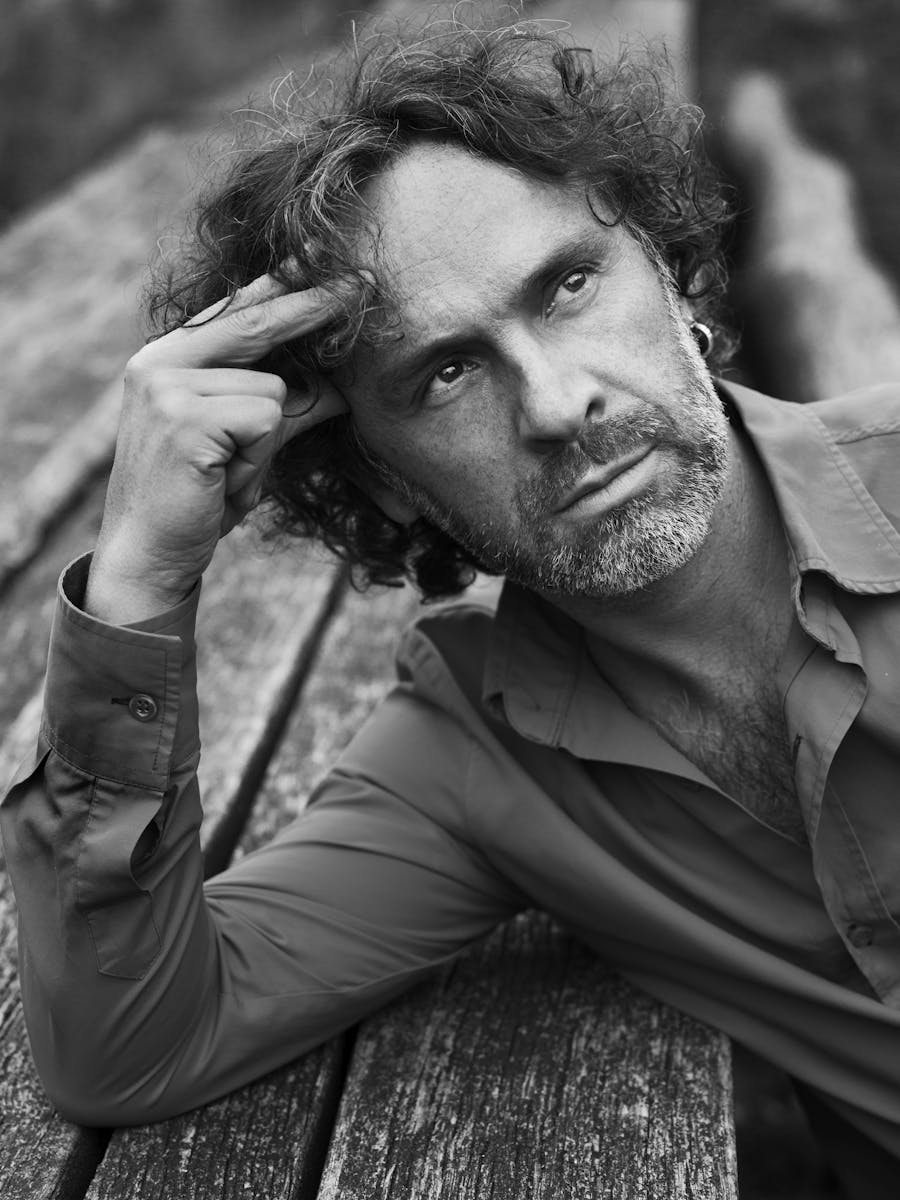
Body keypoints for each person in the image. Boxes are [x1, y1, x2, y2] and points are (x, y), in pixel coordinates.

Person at [2, 19, 900, 1197]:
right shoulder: (475, 752)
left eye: (568, 286)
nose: (558, 404)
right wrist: (138, 582)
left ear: (673, 270)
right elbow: (128, 1045)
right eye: (446, 373)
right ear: (381, 474)